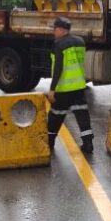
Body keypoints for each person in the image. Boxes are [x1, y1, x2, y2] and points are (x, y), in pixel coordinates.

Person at [46, 17, 94, 153]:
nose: (53, 32)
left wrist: (52, 89)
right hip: (79, 85)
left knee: (55, 116)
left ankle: (49, 143)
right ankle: (88, 144)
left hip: (64, 87)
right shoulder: (80, 42)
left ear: (61, 30)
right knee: (82, 115)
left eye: (54, 29)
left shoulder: (58, 44)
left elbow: (58, 68)